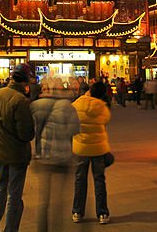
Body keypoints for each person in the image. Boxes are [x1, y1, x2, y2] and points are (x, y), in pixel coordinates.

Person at [0, 64, 35, 232]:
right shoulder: (20, 100)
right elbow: (26, 133)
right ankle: (11, 228)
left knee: (1, 188)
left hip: (0, 150)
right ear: (25, 80)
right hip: (16, 152)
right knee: (14, 194)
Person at [32, 83, 79, 230]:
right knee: (58, 201)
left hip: (43, 156)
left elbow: (30, 129)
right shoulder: (68, 107)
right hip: (62, 157)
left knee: (43, 199)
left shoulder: (36, 105)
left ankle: (42, 229)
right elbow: (74, 130)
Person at [71, 81, 112, 224]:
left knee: (80, 180)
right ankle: (102, 213)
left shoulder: (77, 104)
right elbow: (106, 120)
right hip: (98, 148)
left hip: (80, 147)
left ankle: (77, 211)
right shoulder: (102, 107)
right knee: (99, 180)